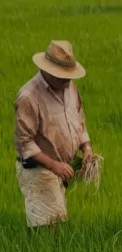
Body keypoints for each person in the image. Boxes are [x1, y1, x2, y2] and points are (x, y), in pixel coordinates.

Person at [13, 40, 93, 229]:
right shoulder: (29, 97)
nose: (67, 80)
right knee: (47, 228)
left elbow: (79, 120)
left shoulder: (69, 86)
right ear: (48, 71)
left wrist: (86, 148)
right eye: (62, 76)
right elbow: (25, 143)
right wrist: (53, 165)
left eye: (69, 75)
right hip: (39, 169)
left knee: (57, 223)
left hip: (61, 170)